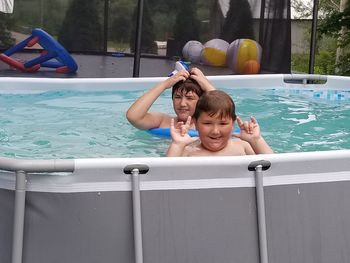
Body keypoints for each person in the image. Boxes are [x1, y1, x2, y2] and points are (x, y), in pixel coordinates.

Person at [166, 90, 273, 156]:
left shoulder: (243, 147)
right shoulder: (188, 152)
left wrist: (256, 140)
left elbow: (274, 169)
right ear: (195, 124)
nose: (215, 131)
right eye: (207, 124)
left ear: (233, 124)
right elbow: (164, 177)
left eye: (223, 124)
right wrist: (177, 145)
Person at [126, 68, 215, 130]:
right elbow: (133, 117)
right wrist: (164, 85)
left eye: (190, 98)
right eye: (177, 97)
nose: (182, 103)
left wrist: (207, 85)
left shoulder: (208, 124)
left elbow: (227, 116)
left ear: (201, 101)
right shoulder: (163, 121)